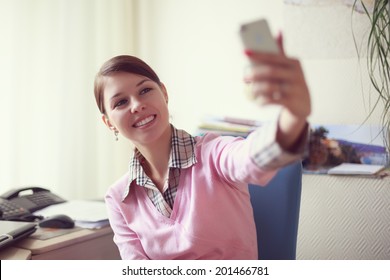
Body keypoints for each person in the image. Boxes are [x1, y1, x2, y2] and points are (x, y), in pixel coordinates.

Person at [93, 33, 311, 260]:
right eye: (121, 102)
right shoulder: (118, 198)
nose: (137, 105)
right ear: (109, 123)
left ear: (164, 93)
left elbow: (252, 157)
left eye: (145, 90)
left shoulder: (214, 154)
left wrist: (293, 116)